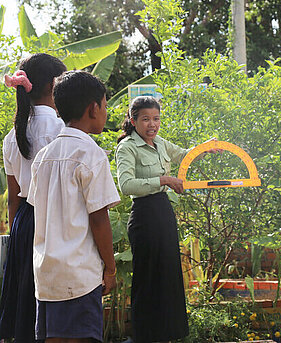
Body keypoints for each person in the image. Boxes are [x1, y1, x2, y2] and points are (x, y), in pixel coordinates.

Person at [116, 96, 218, 342]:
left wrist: (205, 147)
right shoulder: (127, 147)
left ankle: (168, 335)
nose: (152, 124)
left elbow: (185, 155)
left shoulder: (160, 143)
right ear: (134, 121)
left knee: (168, 275)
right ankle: (144, 336)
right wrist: (163, 180)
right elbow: (126, 185)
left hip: (163, 213)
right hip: (144, 216)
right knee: (147, 278)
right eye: (146, 119)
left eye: (156, 119)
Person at [28, 71, 120, 342]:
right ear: (94, 108)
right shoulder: (90, 153)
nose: (105, 111)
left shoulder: (43, 156)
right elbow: (99, 219)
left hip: (46, 276)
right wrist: (111, 268)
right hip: (80, 274)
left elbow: (38, 209)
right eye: (104, 105)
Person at [0, 54, 67, 342]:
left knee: (26, 303)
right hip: (56, 220)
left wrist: (17, 235)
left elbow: (13, 197)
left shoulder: (11, 136)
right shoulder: (63, 130)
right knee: (56, 304)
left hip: (25, 221)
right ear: (55, 85)